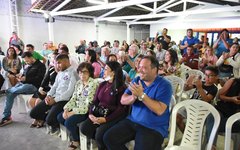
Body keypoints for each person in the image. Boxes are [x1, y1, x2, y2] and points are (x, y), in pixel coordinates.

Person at [103, 56, 172, 150]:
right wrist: (133, 97)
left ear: (154, 69)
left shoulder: (165, 85)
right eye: (139, 67)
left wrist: (142, 96)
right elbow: (123, 100)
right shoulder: (137, 80)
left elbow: (159, 110)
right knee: (109, 138)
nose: (140, 70)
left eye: (144, 67)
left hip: (153, 127)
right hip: (133, 121)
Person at [80, 61, 128, 150]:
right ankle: (102, 144)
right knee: (84, 128)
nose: (103, 71)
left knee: (100, 134)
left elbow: (121, 109)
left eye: (106, 69)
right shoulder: (103, 84)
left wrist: (106, 119)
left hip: (113, 115)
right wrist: (90, 114)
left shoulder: (121, 87)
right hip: (99, 112)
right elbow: (94, 101)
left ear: (113, 72)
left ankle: (102, 146)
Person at [29, 54, 79, 135]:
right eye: (56, 63)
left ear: (66, 62)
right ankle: (49, 117)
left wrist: (55, 100)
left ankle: (55, 125)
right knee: (33, 113)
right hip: (54, 97)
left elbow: (70, 92)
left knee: (50, 120)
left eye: (59, 63)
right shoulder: (60, 73)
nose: (57, 65)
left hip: (65, 100)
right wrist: (48, 96)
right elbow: (54, 86)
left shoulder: (73, 73)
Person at [57, 62, 99, 149]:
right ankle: (75, 134)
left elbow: (88, 105)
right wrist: (66, 109)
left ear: (90, 73)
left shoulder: (93, 84)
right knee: (60, 117)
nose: (82, 74)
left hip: (86, 111)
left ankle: (76, 140)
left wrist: (72, 113)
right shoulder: (79, 83)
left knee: (69, 122)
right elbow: (73, 98)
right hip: (76, 108)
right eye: (80, 72)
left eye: (85, 72)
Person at [0, 52, 46, 127]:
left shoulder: (40, 65)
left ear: (31, 57)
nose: (26, 62)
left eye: (27, 60)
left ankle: (9, 90)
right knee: (10, 93)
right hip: (24, 84)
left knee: (14, 90)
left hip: (34, 86)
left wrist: (26, 78)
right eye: (25, 61)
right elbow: (24, 75)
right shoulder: (27, 65)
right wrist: (20, 77)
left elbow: (39, 79)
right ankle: (7, 117)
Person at [177, 66, 219, 132]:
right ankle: (186, 134)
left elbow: (207, 100)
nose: (207, 78)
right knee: (177, 117)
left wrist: (199, 87)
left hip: (201, 109)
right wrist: (188, 81)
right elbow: (186, 89)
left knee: (193, 125)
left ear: (216, 77)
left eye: (210, 76)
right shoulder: (201, 82)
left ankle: (191, 136)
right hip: (191, 104)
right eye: (206, 75)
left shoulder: (214, 88)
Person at [206, 77, 240, 150]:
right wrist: (231, 99)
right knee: (212, 116)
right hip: (222, 110)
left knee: (214, 123)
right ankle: (211, 146)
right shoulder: (233, 81)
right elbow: (220, 96)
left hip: (235, 118)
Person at [29, 51, 59, 128]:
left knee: (38, 101)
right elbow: (45, 79)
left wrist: (48, 92)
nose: (53, 60)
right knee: (31, 101)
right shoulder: (51, 68)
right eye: (52, 58)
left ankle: (40, 119)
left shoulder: (60, 70)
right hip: (47, 88)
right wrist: (41, 87)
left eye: (55, 58)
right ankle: (37, 118)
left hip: (53, 90)